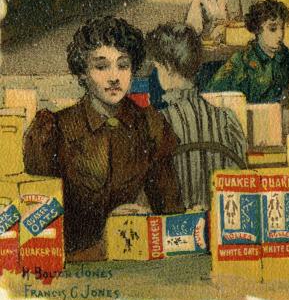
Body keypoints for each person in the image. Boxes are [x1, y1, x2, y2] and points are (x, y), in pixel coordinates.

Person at [24, 17, 183, 260]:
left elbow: (171, 213)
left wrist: (144, 222)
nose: (114, 77)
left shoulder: (150, 125)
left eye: (123, 65)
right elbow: (36, 236)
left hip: (132, 261)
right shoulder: (53, 130)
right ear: (83, 73)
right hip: (72, 268)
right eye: (101, 66)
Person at [146, 23, 246, 210]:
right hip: (222, 227)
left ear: (167, 67)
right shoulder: (226, 120)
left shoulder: (157, 124)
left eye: (157, 67)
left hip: (174, 230)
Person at [203, 0, 289, 102]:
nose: (280, 35)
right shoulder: (240, 61)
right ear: (257, 30)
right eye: (273, 29)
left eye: (282, 28)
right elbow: (211, 95)